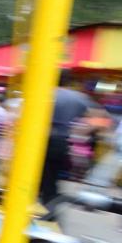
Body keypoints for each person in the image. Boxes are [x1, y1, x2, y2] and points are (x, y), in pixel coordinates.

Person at [40, 69, 94, 203]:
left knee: (36, 174)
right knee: (52, 176)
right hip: (62, 141)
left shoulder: (44, 93)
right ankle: (49, 204)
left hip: (39, 139)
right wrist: (80, 132)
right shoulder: (79, 97)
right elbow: (98, 119)